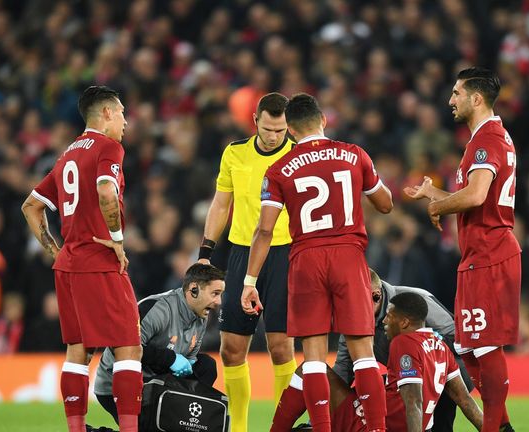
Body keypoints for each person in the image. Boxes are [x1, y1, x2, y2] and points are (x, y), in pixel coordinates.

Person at [242, 93, 393, 432]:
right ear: (323, 120)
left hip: (306, 258)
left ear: (291, 131)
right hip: (348, 255)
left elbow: (264, 229)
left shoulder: (278, 169)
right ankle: (378, 429)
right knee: (363, 353)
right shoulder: (354, 155)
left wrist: (250, 282)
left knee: (312, 358)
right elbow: (385, 204)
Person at [405, 67, 520, 432]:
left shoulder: (488, 139)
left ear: (476, 98)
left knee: (485, 348)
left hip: (491, 252)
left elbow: (476, 195)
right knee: (468, 349)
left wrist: (439, 206)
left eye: (456, 93)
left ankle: (495, 428)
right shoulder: (480, 140)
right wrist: (435, 195)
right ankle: (501, 426)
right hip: (476, 256)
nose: (450, 100)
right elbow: (471, 200)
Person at [21, 85, 142, 432]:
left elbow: (30, 206)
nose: (125, 122)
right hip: (99, 261)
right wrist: (117, 240)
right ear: (105, 113)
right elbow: (107, 192)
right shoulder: (108, 148)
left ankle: (77, 428)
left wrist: (55, 250)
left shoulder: (67, 155)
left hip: (69, 265)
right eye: (121, 113)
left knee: (78, 350)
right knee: (129, 347)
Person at [198, 92, 296, 431]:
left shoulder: (297, 154)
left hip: (285, 252)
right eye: (268, 129)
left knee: (282, 348)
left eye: (280, 131)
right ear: (255, 121)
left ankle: (280, 427)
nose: (273, 137)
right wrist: (205, 252)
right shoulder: (234, 153)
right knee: (231, 350)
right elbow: (221, 204)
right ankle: (238, 427)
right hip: (241, 253)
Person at [271, 292, 482, 432]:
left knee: (310, 369)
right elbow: (465, 400)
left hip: (371, 424)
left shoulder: (404, 344)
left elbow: (413, 402)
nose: (384, 321)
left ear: (405, 321)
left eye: (390, 316)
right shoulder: (441, 346)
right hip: (397, 420)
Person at [332, 269, 473, 432]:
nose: (350, 307)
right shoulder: (353, 321)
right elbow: (343, 371)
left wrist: (422, 343)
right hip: (407, 375)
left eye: (356, 301)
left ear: (376, 295)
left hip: (446, 373)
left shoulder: (414, 300)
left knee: (435, 419)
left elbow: (459, 337)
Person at [93, 263, 226, 426]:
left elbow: (189, 359)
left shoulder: (201, 317)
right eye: (215, 293)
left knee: (206, 366)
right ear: (194, 289)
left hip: (157, 382)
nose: (219, 301)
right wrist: (170, 359)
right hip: (116, 384)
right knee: (153, 425)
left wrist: (185, 364)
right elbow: (122, 347)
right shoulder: (156, 308)